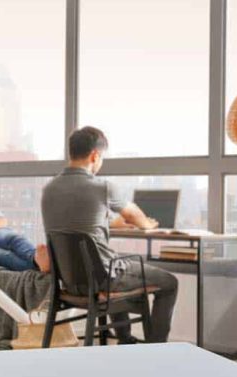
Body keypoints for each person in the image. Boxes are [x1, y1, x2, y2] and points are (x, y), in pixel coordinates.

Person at [41, 126, 178, 344]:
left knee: (115, 264)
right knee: (169, 282)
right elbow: (134, 215)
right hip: (101, 281)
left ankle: (125, 339)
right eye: (101, 157)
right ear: (94, 155)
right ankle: (156, 347)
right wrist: (148, 224)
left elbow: (83, 223)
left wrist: (112, 223)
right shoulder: (102, 187)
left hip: (68, 282)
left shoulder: (49, 189)